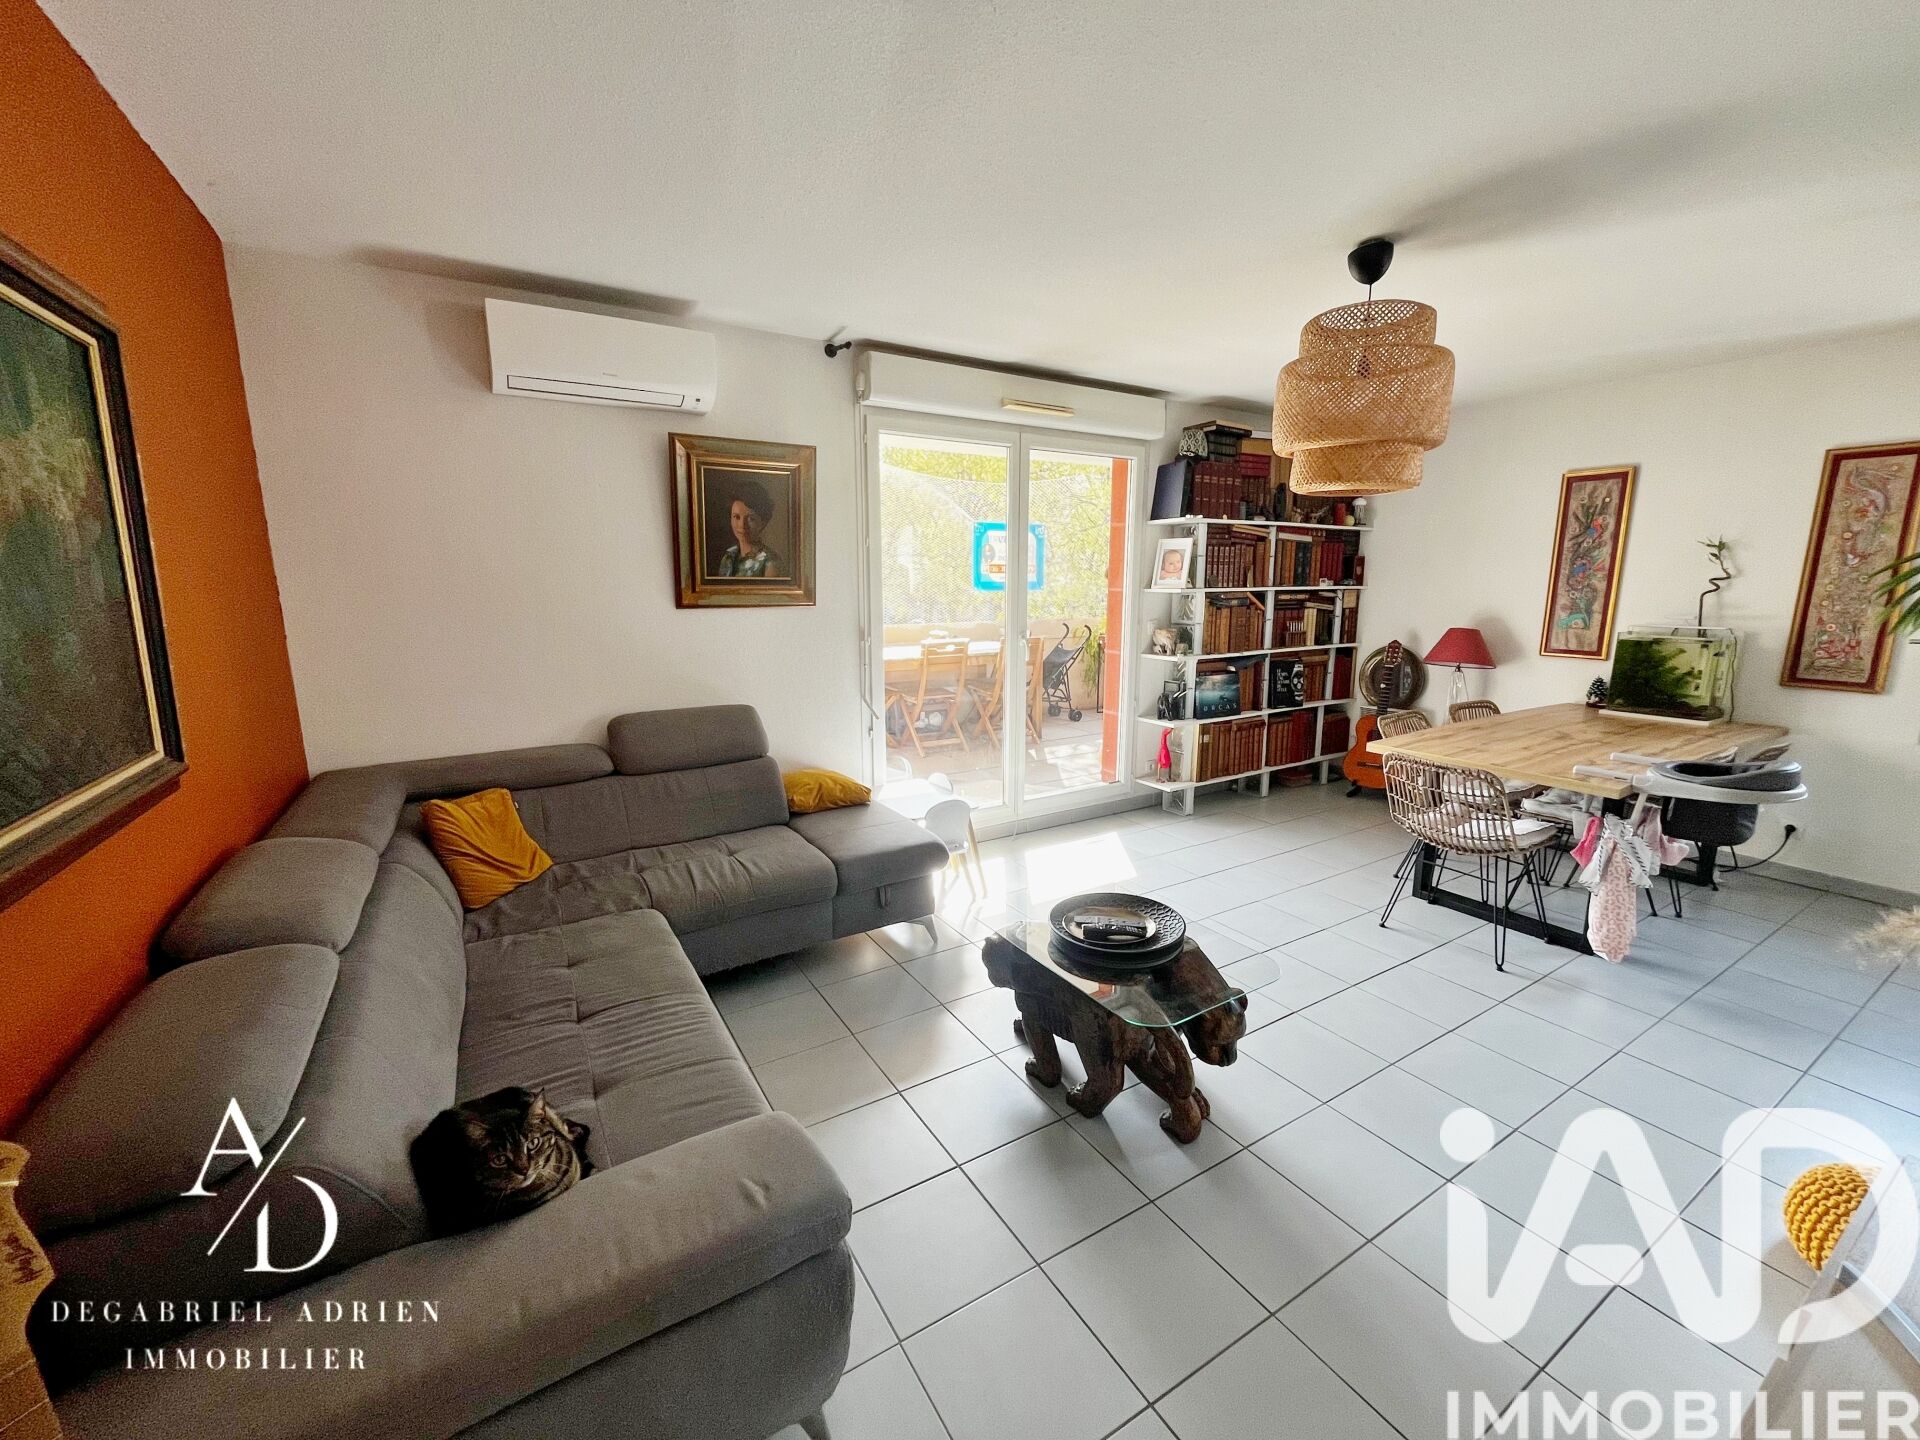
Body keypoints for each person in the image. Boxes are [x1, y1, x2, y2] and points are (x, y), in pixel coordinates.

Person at [715, 478, 783, 577]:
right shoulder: (728, 557)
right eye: (736, 517)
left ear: (763, 522)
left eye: (751, 519)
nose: (742, 525)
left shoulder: (771, 561)